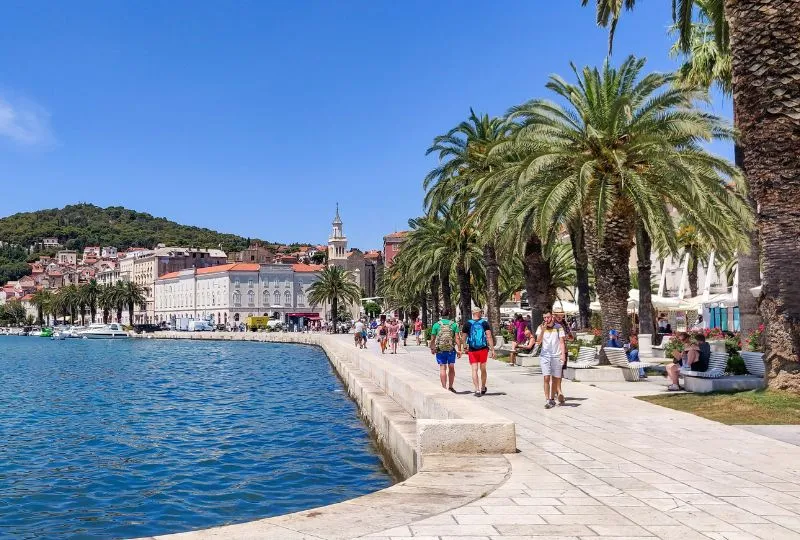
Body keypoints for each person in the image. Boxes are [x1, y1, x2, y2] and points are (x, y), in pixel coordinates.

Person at [460, 307, 495, 397]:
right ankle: (483, 387)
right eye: (481, 312)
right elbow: (489, 336)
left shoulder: (467, 324)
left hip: (472, 350)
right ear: (479, 313)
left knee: (474, 369)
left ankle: (477, 389)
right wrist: (492, 349)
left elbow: (463, 338)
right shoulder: (484, 323)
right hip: (483, 349)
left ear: (473, 313)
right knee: (483, 368)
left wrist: (464, 346)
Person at [536, 312, 566, 409]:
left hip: (556, 356)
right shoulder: (540, 327)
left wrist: (563, 355)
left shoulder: (558, 327)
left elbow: (561, 342)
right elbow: (538, 341)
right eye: (544, 317)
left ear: (552, 317)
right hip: (545, 356)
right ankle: (547, 399)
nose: (546, 319)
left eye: (548, 317)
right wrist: (543, 331)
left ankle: (552, 399)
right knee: (546, 377)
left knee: (555, 379)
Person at [430, 308, 462, 392]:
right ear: (449, 314)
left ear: (441, 315)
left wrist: (432, 348)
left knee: (442, 368)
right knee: (451, 368)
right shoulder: (454, 325)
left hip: (440, 350)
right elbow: (457, 338)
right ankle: (450, 387)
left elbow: (433, 338)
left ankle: (444, 388)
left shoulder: (436, 325)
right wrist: (459, 349)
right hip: (451, 350)